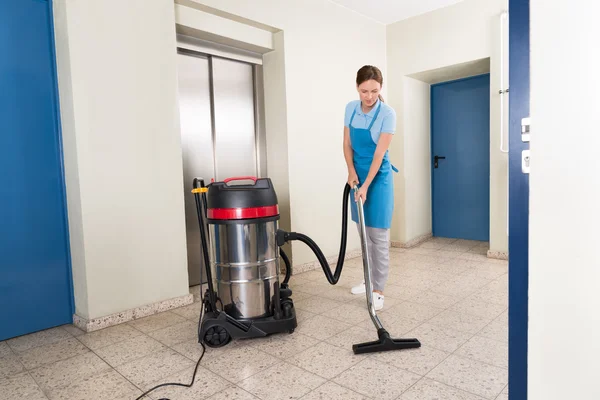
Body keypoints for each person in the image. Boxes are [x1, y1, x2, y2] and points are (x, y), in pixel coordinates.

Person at [343, 65, 397, 311]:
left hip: (379, 179)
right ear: (357, 87)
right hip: (357, 178)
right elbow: (346, 144)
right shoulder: (350, 109)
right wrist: (352, 173)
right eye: (364, 91)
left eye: (374, 91)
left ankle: (378, 291)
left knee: (379, 238)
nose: (369, 97)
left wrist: (366, 185)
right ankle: (368, 280)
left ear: (380, 88)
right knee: (363, 234)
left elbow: (378, 154)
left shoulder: (388, 113)